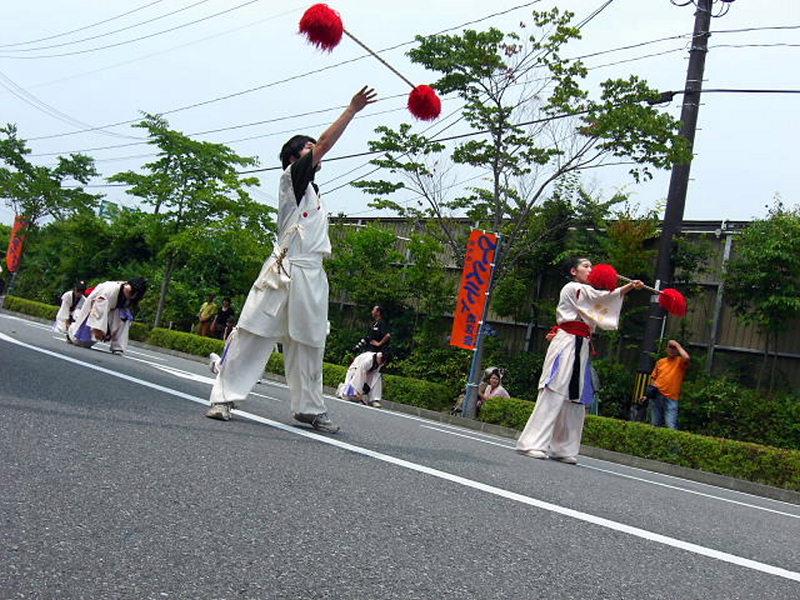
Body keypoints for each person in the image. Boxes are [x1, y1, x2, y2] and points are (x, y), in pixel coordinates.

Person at [205, 86, 378, 430]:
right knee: (254, 333)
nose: (317, 151)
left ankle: (309, 408)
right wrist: (351, 110)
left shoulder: (314, 193)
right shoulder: (292, 180)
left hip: (312, 276)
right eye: (309, 148)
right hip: (282, 271)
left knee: (311, 342)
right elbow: (326, 144)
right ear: (293, 158)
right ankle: (223, 397)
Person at [516, 258, 643, 464]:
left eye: (591, 266)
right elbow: (601, 297)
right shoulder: (573, 287)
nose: (590, 269)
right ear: (573, 271)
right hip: (566, 343)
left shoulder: (585, 292)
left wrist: (627, 288)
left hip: (581, 345)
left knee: (574, 397)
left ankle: (563, 448)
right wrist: (628, 287)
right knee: (554, 390)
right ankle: (532, 443)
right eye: (586, 266)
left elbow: (600, 300)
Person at [67, 278, 148, 355]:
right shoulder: (110, 290)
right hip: (95, 307)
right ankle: (71, 331)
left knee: (125, 317)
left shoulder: (133, 295)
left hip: (114, 309)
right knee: (82, 342)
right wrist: (98, 329)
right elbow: (98, 308)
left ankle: (118, 346)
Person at [648, 339, 691, 429]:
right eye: (670, 347)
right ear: (667, 349)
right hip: (657, 395)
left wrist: (677, 345)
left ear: (677, 350)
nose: (672, 350)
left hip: (671, 398)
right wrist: (648, 395)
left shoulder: (680, 362)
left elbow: (687, 358)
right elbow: (653, 378)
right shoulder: (660, 362)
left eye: (674, 348)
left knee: (670, 426)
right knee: (655, 424)